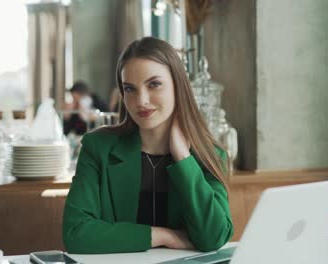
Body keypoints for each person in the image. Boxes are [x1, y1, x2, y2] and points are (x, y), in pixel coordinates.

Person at [62, 37, 233, 254]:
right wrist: (163, 236)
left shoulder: (210, 154)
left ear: (178, 85)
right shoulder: (98, 147)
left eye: (154, 84)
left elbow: (214, 237)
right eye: (130, 89)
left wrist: (183, 158)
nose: (141, 100)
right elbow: (75, 234)